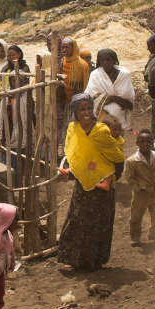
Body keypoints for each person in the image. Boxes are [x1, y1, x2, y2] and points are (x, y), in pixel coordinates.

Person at [57, 93, 124, 270]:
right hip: (83, 183)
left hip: (101, 186)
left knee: (97, 224)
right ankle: (75, 260)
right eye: (82, 109)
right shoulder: (73, 129)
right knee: (78, 220)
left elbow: (117, 157)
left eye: (89, 108)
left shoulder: (100, 131)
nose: (86, 112)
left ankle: (93, 262)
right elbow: (74, 153)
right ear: (75, 112)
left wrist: (113, 177)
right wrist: (74, 171)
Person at [123, 129, 155, 246]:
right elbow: (129, 178)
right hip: (141, 193)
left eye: (148, 141)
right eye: (142, 141)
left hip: (153, 190)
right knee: (136, 215)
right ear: (137, 143)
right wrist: (138, 187)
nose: (145, 144)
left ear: (152, 142)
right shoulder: (132, 161)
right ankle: (135, 237)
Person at [84, 48, 135, 132]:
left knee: (115, 110)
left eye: (108, 59)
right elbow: (91, 95)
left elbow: (128, 100)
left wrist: (112, 98)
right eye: (102, 60)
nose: (105, 63)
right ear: (99, 62)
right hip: (102, 110)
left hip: (122, 109)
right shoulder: (95, 75)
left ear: (114, 60)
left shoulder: (124, 74)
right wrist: (109, 99)